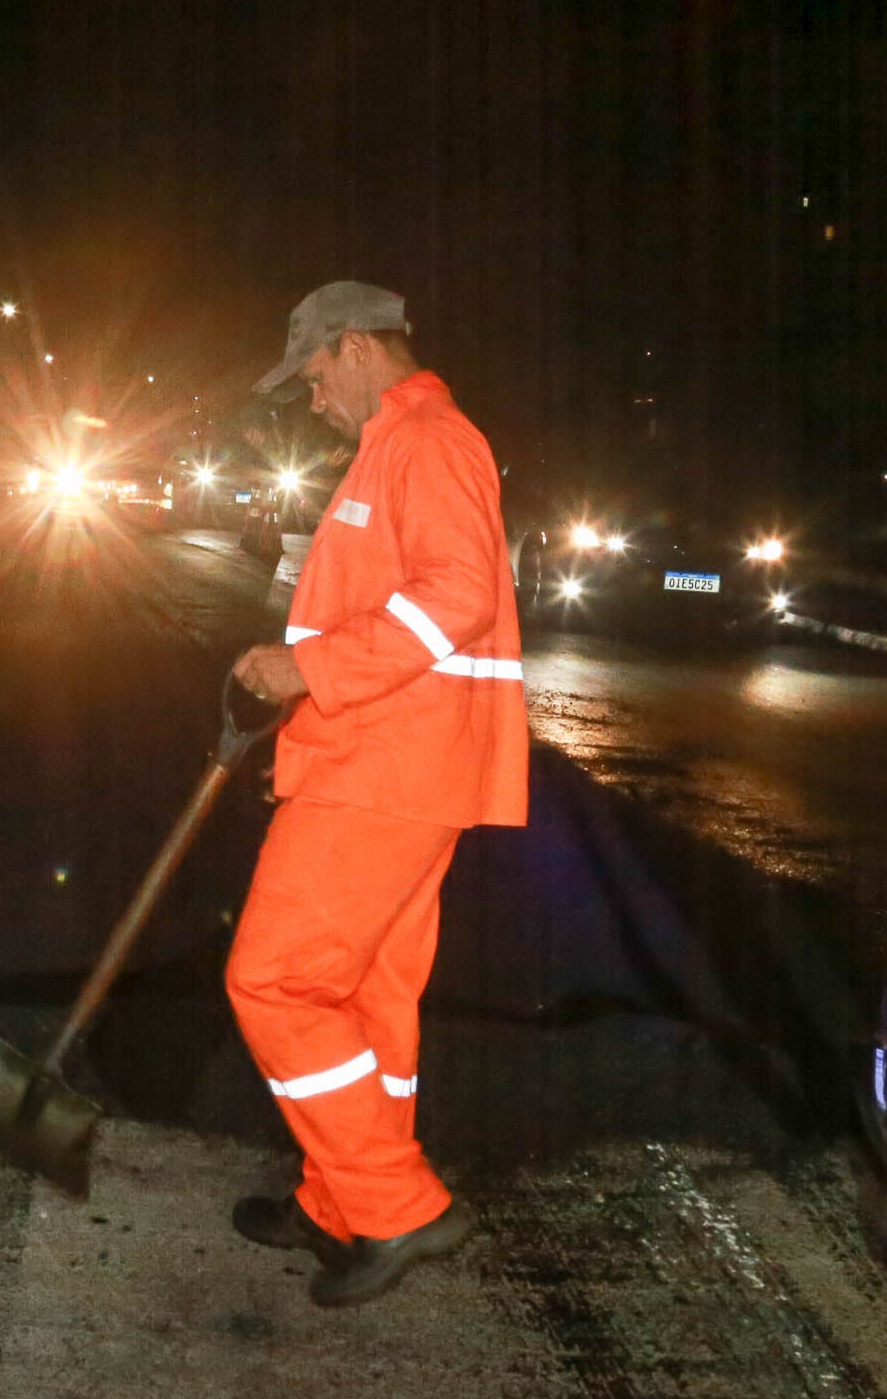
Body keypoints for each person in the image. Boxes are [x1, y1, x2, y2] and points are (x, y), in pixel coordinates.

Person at [223, 282, 530, 1308]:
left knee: (272, 980)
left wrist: (309, 671)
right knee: (367, 995)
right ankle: (340, 1199)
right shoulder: (397, 446)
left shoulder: (430, 440)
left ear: (355, 348)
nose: (311, 402)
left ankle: (398, 1205)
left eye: (314, 377)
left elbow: (456, 594)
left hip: (385, 766)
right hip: (393, 759)